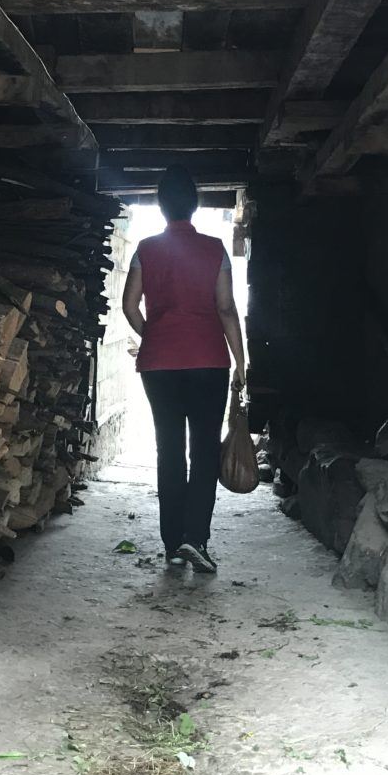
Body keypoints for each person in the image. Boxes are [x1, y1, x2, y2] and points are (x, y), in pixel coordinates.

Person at [121, 166, 247, 574]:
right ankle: (197, 538)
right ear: (194, 205)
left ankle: (173, 543)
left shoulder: (144, 249)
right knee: (205, 450)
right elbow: (226, 308)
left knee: (169, 450)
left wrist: (153, 334)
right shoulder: (215, 250)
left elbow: (129, 305)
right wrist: (242, 361)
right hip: (209, 361)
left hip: (158, 365)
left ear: (161, 206)